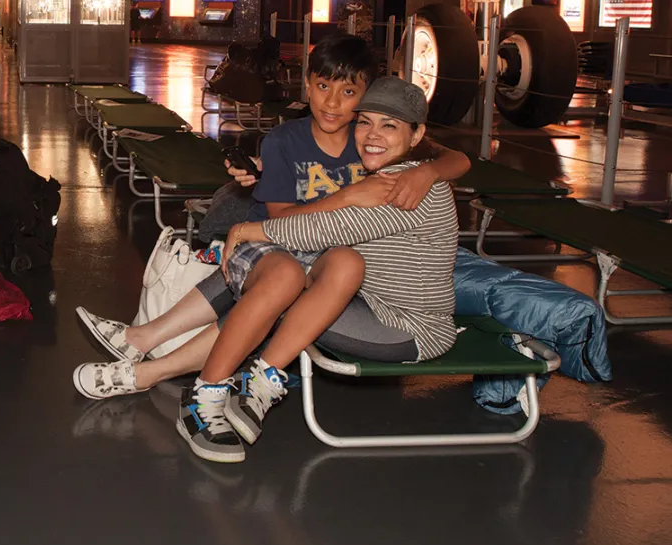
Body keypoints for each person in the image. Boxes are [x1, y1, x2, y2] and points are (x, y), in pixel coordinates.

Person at [71, 35, 469, 410]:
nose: (336, 104)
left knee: (274, 294)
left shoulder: (382, 159)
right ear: (307, 86)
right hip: (311, 255)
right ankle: (148, 350)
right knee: (277, 281)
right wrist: (345, 193)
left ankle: (153, 360)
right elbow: (289, 222)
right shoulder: (304, 142)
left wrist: (430, 172)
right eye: (324, 87)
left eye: (350, 94)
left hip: (353, 279)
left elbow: (454, 157)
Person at [174, 77, 458, 461]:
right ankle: (238, 378)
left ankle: (203, 389)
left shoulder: (409, 187)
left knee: (274, 286)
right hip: (370, 301)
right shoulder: (398, 172)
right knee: (333, 263)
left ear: (416, 134)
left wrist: (243, 230)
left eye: (388, 125)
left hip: (409, 328)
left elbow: (320, 229)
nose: (372, 135)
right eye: (365, 122)